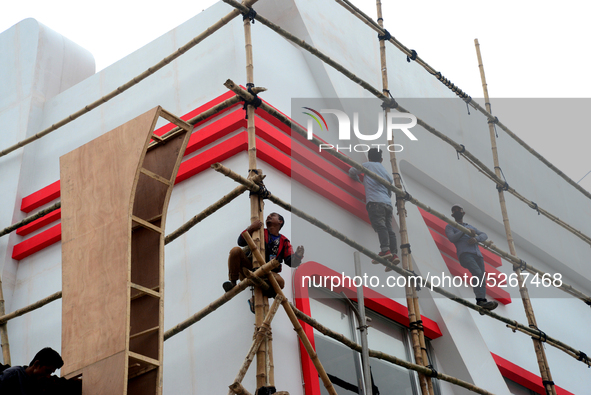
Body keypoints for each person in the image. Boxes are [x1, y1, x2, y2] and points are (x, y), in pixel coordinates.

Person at [223, 212, 304, 298]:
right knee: (235, 251)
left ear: (280, 221)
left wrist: (298, 256)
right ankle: (233, 282)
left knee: (280, 282)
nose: (268, 216)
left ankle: (262, 293)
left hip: (267, 273)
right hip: (249, 268)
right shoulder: (258, 231)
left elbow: (290, 261)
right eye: (269, 215)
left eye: (272, 215)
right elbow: (240, 242)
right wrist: (251, 228)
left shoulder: (284, 241)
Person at [349, 148, 400, 270]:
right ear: (381, 160)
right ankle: (393, 255)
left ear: (369, 157)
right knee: (389, 229)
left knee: (380, 226)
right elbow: (389, 192)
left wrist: (358, 180)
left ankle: (385, 250)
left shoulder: (368, 165)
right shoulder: (387, 174)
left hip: (375, 203)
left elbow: (352, 171)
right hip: (387, 204)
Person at [445, 204, 498, 311]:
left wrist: (476, 239)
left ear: (463, 213)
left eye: (458, 210)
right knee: (477, 273)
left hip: (478, 255)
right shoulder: (450, 226)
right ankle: (481, 301)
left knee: (482, 277)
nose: (456, 212)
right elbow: (452, 238)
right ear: (452, 215)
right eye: (454, 211)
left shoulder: (471, 226)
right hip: (465, 254)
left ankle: (482, 303)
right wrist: (465, 231)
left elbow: (484, 235)